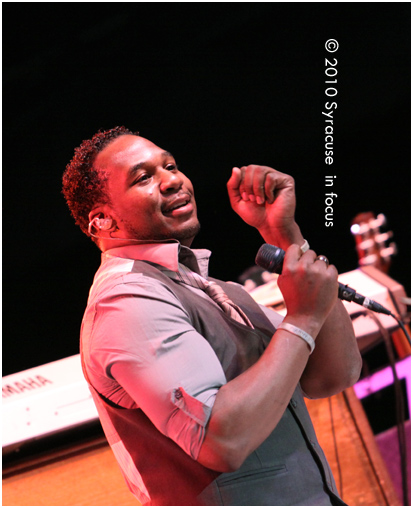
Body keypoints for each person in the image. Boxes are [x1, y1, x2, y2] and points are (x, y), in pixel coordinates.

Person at [62, 126, 362, 506]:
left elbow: (333, 375)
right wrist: (300, 320)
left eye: (170, 165)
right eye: (144, 177)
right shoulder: (125, 300)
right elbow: (220, 441)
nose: (171, 180)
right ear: (102, 221)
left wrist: (284, 235)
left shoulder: (219, 291)